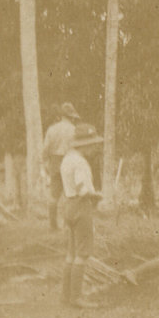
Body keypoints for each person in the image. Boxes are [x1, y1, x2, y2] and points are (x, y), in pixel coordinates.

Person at [60, 123, 105, 308]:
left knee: (71, 253)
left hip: (69, 204)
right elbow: (82, 188)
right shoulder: (80, 162)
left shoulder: (67, 159)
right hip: (80, 205)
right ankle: (76, 297)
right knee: (82, 253)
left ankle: (66, 296)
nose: (94, 148)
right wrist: (97, 195)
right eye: (92, 144)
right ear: (83, 145)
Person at [42, 102, 80, 230]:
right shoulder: (74, 130)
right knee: (70, 194)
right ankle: (68, 224)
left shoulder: (52, 129)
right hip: (69, 159)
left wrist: (46, 163)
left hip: (54, 161)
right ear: (71, 116)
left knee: (54, 195)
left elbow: (45, 149)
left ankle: (53, 225)